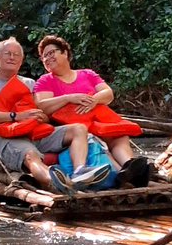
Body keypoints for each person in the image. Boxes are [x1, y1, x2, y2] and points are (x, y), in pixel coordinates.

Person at [0, 37, 110, 195]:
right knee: (30, 155)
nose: (11, 57)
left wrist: (41, 117)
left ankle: (80, 173)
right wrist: (15, 116)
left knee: (78, 129)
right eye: (7, 54)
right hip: (6, 137)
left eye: (16, 55)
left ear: (21, 60)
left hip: (34, 132)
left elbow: (43, 111)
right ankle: (57, 182)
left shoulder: (30, 83)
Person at [33, 35, 151, 186]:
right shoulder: (45, 81)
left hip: (96, 122)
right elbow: (42, 106)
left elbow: (108, 94)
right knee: (93, 141)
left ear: (64, 53)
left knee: (119, 136)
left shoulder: (87, 74)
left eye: (51, 53)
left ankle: (130, 167)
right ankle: (121, 176)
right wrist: (69, 98)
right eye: (44, 57)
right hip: (71, 129)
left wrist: (94, 100)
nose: (47, 58)